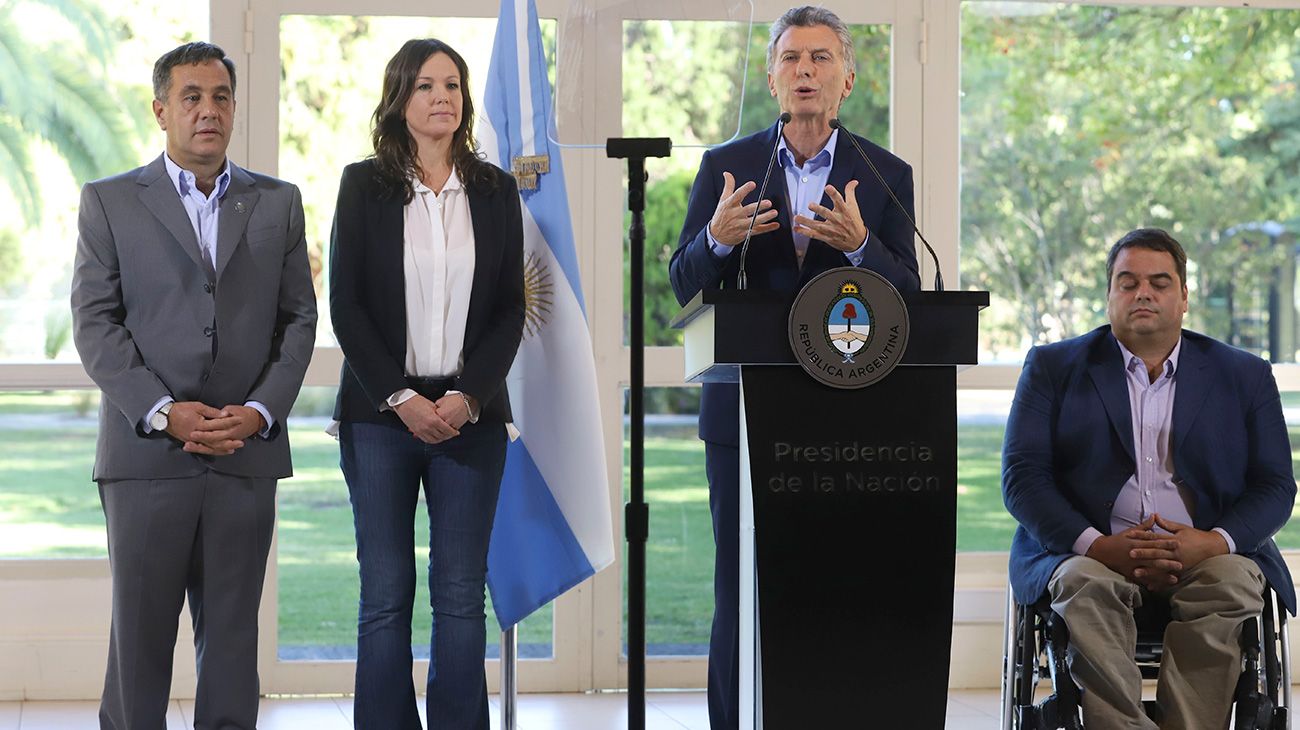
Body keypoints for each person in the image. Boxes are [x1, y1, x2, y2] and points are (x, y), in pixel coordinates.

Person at [668, 6, 920, 729]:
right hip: (742, 410)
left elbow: (911, 294)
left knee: (835, 585)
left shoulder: (884, 172)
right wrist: (714, 240)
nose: (804, 71)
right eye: (791, 59)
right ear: (772, 76)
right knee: (739, 588)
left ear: (847, 79)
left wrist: (864, 246)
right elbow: (686, 284)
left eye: (819, 59)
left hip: (851, 417)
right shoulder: (727, 167)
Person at [70, 41, 317, 730]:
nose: (208, 110)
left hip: (247, 454)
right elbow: (96, 324)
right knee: (140, 643)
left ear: (234, 108)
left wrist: (261, 411)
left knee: (234, 642)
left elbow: (299, 320)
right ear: (160, 110)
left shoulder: (278, 203)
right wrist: (164, 411)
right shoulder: (111, 202)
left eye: (220, 97)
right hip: (147, 457)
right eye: (191, 97)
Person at [1002, 228, 1296, 728]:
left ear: (1183, 297)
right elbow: (1023, 478)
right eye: (1128, 281)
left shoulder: (1243, 375)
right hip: (1092, 552)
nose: (1144, 293)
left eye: (1160, 283)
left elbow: (1275, 486)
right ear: (1109, 294)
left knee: (1231, 584)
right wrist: (1097, 546)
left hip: (1208, 554)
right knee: (1082, 584)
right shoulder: (1052, 368)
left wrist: (1214, 542)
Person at [329, 38, 524, 730]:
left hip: (472, 420)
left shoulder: (496, 190)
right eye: (426, 85)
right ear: (399, 101)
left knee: (460, 593)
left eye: (453, 84)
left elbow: (510, 307)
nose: (443, 96)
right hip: (381, 418)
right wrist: (403, 398)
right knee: (384, 593)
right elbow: (345, 306)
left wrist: (467, 396)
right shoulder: (362, 186)